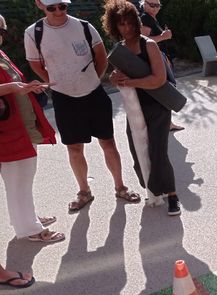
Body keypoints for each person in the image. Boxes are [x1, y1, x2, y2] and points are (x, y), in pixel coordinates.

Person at [25, 0, 141, 212]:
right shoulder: (34, 32)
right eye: (52, 8)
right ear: (40, 5)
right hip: (64, 98)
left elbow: (100, 57)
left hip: (94, 95)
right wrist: (55, 81)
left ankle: (120, 186)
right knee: (74, 148)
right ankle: (84, 191)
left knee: (108, 143)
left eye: (63, 6)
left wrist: (93, 80)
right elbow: (35, 64)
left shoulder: (84, 26)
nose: (59, 11)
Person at [103, 0, 181, 216]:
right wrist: (115, 78)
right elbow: (121, 79)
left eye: (129, 23)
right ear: (114, 26)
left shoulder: (149, 44)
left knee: (158, 152)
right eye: (121, 25)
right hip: (135, 109)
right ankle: (154, 190)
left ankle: (172, 195)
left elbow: (158, 80)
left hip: (157, 106)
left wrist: (130, 82)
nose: (126, 28)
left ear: (136, 22)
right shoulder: (120, 50)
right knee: (138, 153)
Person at [0, 13, 65, 245]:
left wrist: (28, 87)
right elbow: (7, 87)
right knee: (17, 177)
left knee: (24, 175)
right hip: (6, 129)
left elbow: (12, 85)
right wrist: (13, 87)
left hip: (19, 124)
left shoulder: (1, 54)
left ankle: (25, 218)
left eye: (0, 31)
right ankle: (29, 228)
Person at [138, 0, 184, 132]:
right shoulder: (146, 18)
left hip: (159, 59)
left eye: (157, 5)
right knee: (165, 91)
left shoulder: (150, 18)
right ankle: (166, 124)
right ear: (144, 4)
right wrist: (163, 37)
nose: (154, 8)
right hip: (156, 61)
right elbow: (143, 40)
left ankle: (166, 123)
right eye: (151, 5)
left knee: (163, 91)